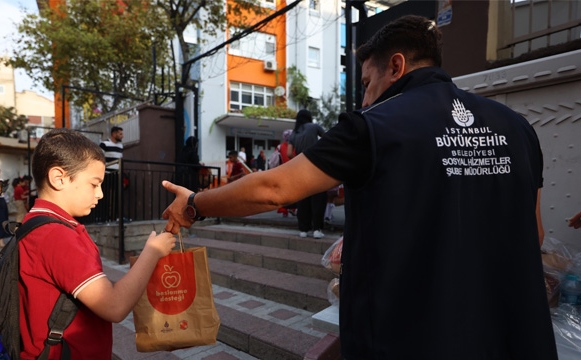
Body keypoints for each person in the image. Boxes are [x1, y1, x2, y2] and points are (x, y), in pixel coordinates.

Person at [160, 15, 557, 359]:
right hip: (511, 337)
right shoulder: (517, 128)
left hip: (412, 339)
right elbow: (533, 232)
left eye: (367, 82)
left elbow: (274, 189)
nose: (365, 97)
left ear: (396, 67)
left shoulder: (373, 126)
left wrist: (195, 203)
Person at [19, 128, 175, 358]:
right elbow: (113, 306)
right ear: (58, 178)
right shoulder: (56, 235)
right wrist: (152, 252)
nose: (100, 194)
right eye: (94, 184)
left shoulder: (37, 222)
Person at [288, 109, 326, 239]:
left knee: (303, 200)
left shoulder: (294, 132)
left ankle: (303, 230)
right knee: (318, 198)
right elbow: (327, 138)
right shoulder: (315, 127)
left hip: (300, 169)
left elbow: (288, 153)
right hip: (316, 167)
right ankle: (317, 229)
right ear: (309, 117)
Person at [99, 126, 124, 221]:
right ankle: (104, 217)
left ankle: (116, 217)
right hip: (107, 174)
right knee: (105, 196)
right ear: (114, 134)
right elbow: (99, 158)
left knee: (118, 196)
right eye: (120, 134)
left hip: (118, 174)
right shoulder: (104, 144)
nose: (122, 136)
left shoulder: (121, 146)